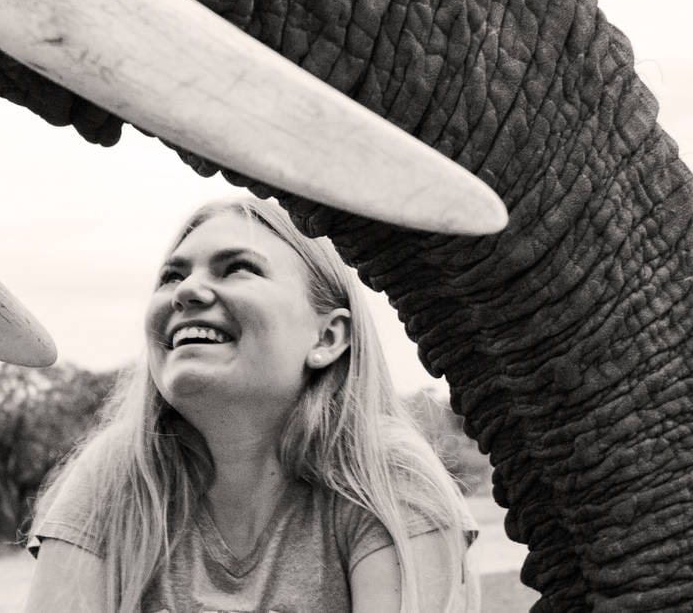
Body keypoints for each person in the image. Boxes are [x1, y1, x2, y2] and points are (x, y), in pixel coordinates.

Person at [25, 197, 478, 612]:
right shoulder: (117, 476)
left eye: (238, 268)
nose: (186, 291)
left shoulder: (383, 476)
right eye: (171, 276)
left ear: (327, 337)